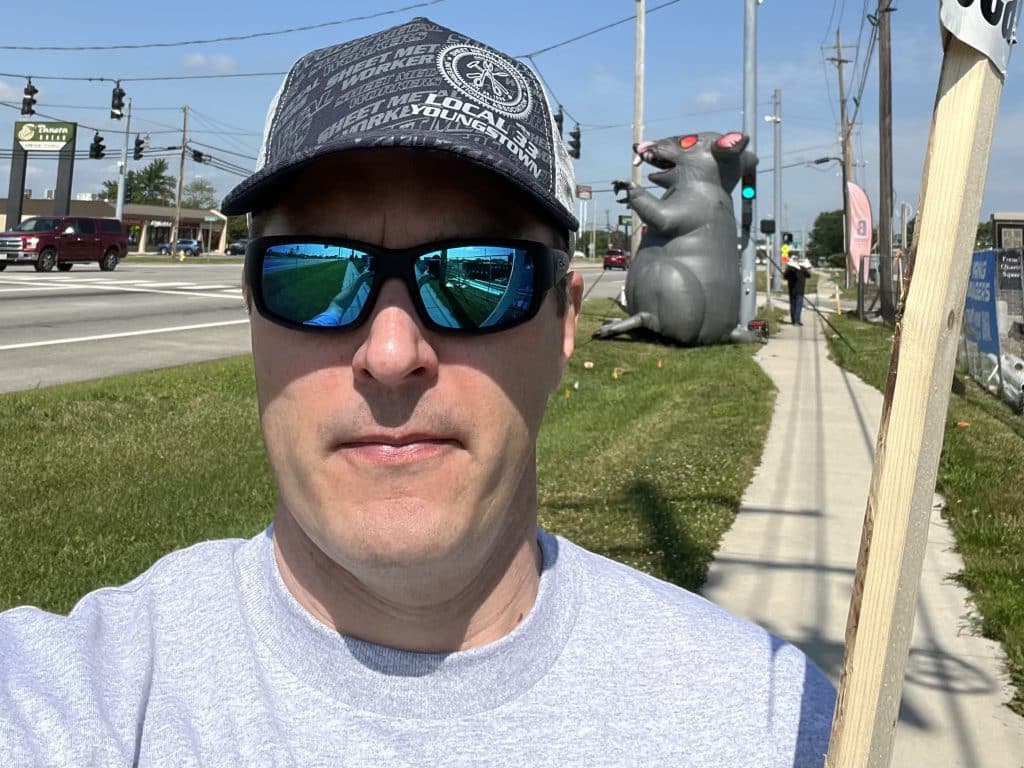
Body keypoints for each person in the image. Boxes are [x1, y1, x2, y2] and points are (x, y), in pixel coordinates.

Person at [0, 17, 836, 766]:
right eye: (313, 274)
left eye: (478, 278)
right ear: (254, 309)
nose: (392, 353)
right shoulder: (85, 702)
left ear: (563, 324)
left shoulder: (768, 723)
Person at [784, 257, 812, 326]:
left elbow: (785, 276)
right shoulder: (802, 270)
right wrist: (807, 268)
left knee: (793, 305)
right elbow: (809, 275)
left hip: (792, 290)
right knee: (798, 306)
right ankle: (797, 321)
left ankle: (794, 320)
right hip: (800, 290)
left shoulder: (790, 270)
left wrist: (787, 269)